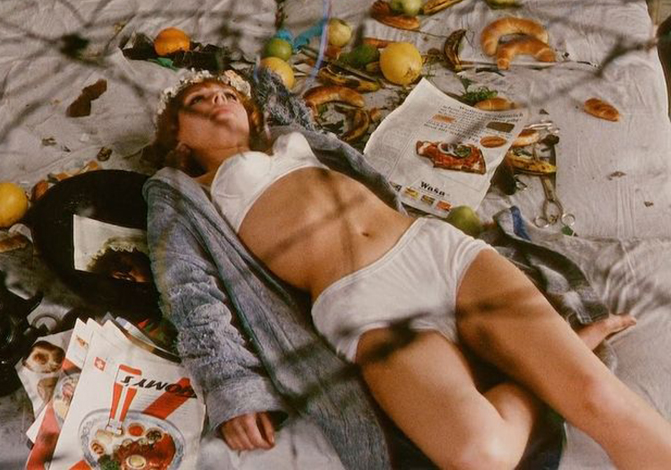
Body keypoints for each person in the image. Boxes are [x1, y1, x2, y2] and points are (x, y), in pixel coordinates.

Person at [142, 69, 671, 469]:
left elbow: (267, 84)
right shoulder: (181, 192)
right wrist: (231, 386)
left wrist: (250, 88)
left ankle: (557, 368)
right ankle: (545, 371)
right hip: (365, 306)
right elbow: (188, 287)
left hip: (438, 254)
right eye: (198, 100)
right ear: (178, 137)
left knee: (601, 399)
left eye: (227, 95)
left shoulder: (292, 139)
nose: (218, 99)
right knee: (481, 454)